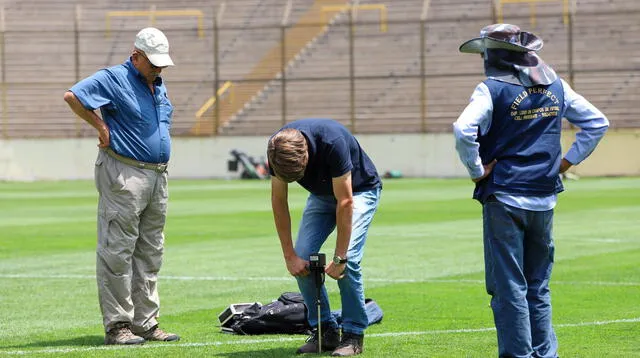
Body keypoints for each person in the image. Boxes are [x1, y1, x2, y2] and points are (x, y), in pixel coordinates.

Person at [453, 24, 609, 358]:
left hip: (505, 196)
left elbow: (463, 129)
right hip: (545, 195)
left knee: (509, 287)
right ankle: (545, 354)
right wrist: (566, 163)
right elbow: (597, 123)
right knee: (538, 286)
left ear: (496, 56)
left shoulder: (490, 89)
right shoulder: (558, 86)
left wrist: (477, 170)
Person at [63, 27, 179, 345]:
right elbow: (73, 95)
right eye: (153, 63)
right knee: (117, 250)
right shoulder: (113, 77)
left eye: (162, 64)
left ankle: (145, 322)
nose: (159, 69)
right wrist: (100, 125)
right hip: (124, 174)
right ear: (135, 56)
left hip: (157, 175)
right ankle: (118, 326)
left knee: (151, 251)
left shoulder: (157, 84)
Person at [267, 118, 382, 356]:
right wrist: (289, 256)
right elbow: (279, 201)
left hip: (359, 192)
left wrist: (339, 258)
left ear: (307, 155)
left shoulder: (333, 142)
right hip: (321, 196)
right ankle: (325, 330)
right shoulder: (277, 149)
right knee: (301, 258)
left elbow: (346, 201)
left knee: (348, 261)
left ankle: (353, 334)